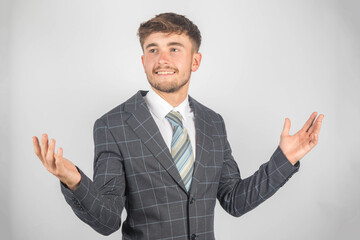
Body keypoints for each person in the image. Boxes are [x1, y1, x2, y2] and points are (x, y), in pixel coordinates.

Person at [32, 12, 324, 240]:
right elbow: (108, 220)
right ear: (143, 60)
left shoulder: (213, 123)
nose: (162, 59)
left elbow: (235, 200)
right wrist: (74, 181)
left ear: (195, 61)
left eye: (174, 49)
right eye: (153, 49)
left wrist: (284, 160)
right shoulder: (113, 125)